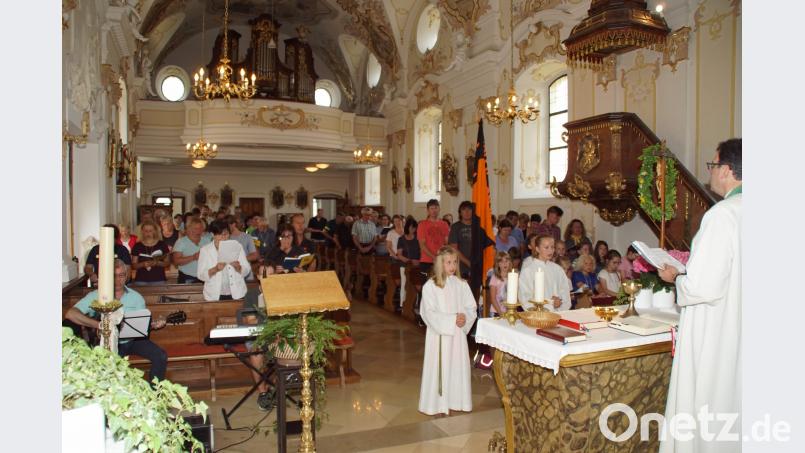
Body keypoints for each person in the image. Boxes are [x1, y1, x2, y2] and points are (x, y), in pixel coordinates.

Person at [657, 138, 742, 453]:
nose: (711, 172)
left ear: (728, 170)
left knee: (709, 405)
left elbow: (703, 287)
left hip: (717, 331)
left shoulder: (723, 215)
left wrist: (677, 277)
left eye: (714, 165)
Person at [66, 259, 168, 382]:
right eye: (114, 276)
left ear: (127, 276)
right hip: (107, 341)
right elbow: (71, 314)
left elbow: (140, 325)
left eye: (121, 275)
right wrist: (100, 325)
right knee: (109, 365)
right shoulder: (97, 295)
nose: (118, 280)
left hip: (132, 341)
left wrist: (151, 325)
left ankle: (155, 393)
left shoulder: (136, 297)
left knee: (160, 355)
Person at [418, 246, 477, 416]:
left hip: (457, 335)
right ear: (440, 264)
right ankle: (436, 404)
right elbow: (428, 312)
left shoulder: (461, 284)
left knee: (456, 366)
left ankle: (456, 400)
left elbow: (470, 307)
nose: (452, 266)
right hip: (440, 336)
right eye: (448, 262)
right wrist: (452, 319)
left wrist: (464, 317)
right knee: (440, 366)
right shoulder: (431, 286)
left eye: (455, 262)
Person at [197, 220, 250, 301]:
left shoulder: (236, 246)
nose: (224, 237)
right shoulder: (205, 250)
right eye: (220, 235)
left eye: (226, 234)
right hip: (213, 295)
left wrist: (238, 267)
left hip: (237, 293)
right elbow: (200, 275)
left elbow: (247, 270)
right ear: (213, 235)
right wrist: (215, 269)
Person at [518, 235, 571, 311]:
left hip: (557, 315)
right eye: (546, 247)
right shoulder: (528, 271)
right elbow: (525, 297)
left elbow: (564, 292)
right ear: (537, 249)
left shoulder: (557, 269)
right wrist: (549, 304)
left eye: (552, 247)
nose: (550, 251)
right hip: (537, 316)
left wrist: (560, 302)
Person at [172, 217, 211, 283]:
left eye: (200, 228)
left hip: (204, 277)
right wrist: (193, 257)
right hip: (187, 277)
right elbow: (176, 261)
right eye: (195, 228)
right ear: (189, 229)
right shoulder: (181, 242)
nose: (198, 231)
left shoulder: (207, 241)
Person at [131, 220, 170, 285]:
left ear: (154, 231)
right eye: (146, 231)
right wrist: (143, 264)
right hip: (141, 280)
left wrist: (157, 263)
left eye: (150, 231)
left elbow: (167, 263)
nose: (148, 233)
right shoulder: (137, 245)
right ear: (142, 232)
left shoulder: (162, 244)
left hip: (158, 279)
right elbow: (134, 265)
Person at [418, 200, 450, 275]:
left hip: (442, 260)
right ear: (428, 210)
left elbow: (447, 243)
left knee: (442, 285)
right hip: (426, 260)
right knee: (426, 285)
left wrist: (441, 256)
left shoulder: (444, 224)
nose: (434, 210)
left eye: (436, 208)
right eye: (431, 208)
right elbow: (422, 245)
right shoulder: (422, 224)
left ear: (439, 209)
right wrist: (434, 257)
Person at [227, 215, 259, 280]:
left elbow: (255, 255)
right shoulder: (225, 238)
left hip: (246, 274)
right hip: (230, 275)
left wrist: (239, 260)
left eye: (227, 226)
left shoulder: (247, 237)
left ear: (233, 224)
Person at [448, 201, 474, 279]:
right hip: (460, 267)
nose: (467, 212)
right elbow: (454, 249)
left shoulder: (478, 226)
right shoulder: (455, 227)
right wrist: (468, 262)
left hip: (476, 265)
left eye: (469, 209)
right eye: (464, 209)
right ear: (460, 213)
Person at [488, 251, 512, 315]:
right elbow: (493, 299)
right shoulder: (495, 278)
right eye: (501, 262)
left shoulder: (512, 277)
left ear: (509, 262)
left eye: (506, 261)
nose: (504, 264)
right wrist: (500, 313)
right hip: (496, 311)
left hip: (508, 311)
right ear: (498, 264)